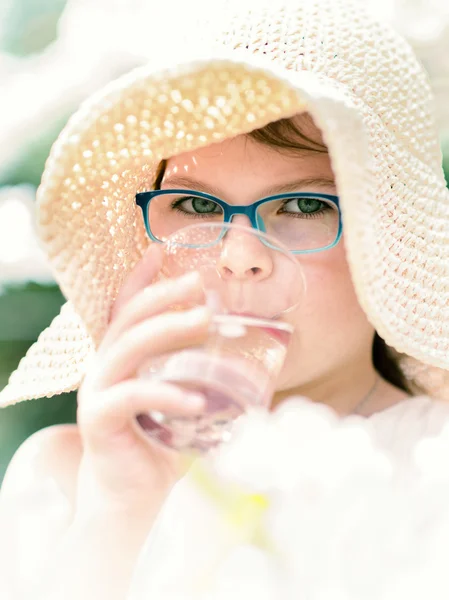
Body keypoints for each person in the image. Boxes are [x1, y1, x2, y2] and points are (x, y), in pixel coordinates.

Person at [1, 0, 449, 598]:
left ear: (396, 235)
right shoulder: (66, 475)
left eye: (306, 206)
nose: (239, 255)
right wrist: (118, 512)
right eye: (196, 205)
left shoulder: (432, 469)